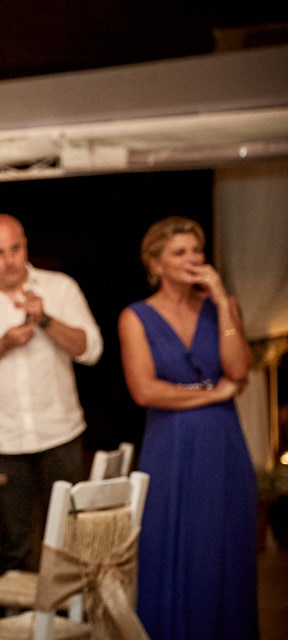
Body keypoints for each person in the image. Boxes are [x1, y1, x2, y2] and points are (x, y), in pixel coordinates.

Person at [0, 213, 102, 575]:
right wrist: (3, 344)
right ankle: (16, 610)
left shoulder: (60, 288)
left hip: (61, 432)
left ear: (26, 245)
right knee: (14, 547)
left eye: (15, 249)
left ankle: (66, 611)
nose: (10, 260)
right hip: (3, 440)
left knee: (68, 540)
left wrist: (46, 320)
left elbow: (91, 350)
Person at [118, 216, 257, 640]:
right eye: (179, 252)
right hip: (170, 445)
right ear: (155, 263)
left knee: (225, 549)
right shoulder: (136, 316)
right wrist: (212, 395)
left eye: (196, 250)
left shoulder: (221, 307)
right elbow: (144, 390)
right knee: (172, 546)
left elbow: (238, 369)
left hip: (223, 443)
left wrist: (223, 301)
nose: (192, 259)